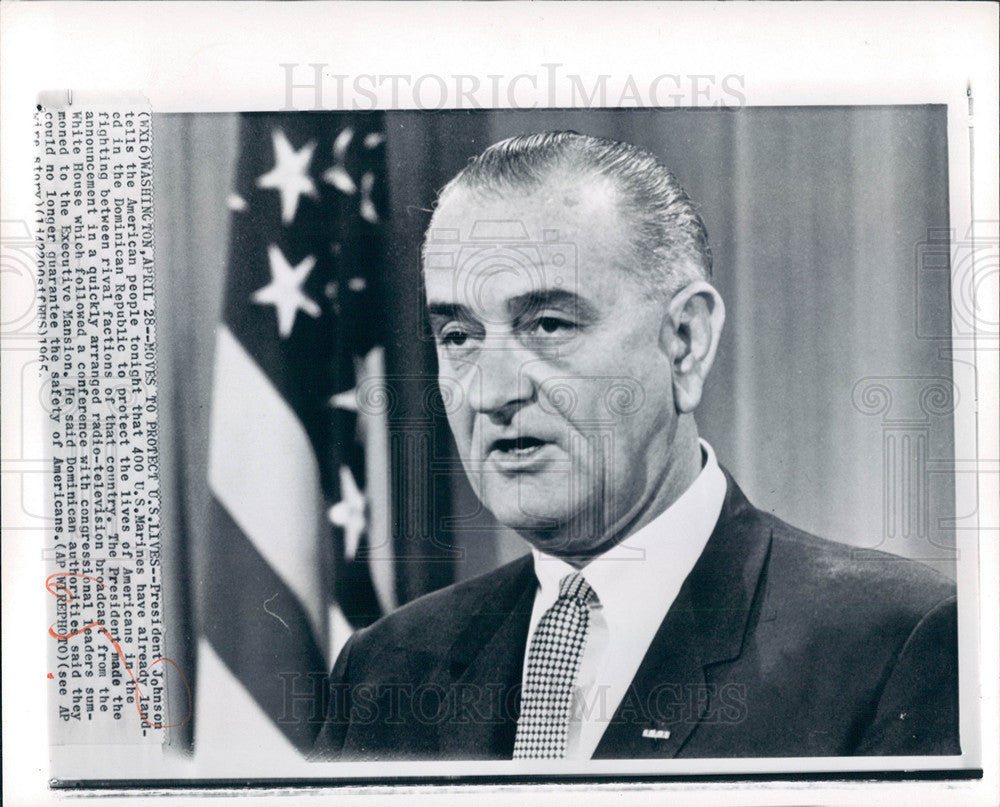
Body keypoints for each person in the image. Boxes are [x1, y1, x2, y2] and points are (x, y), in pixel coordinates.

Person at [311, 131, 959, 760]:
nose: (491, 391)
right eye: (459, 335)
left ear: (684, 341)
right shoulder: (383, 670)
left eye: (548, 323)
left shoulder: (895, 643)